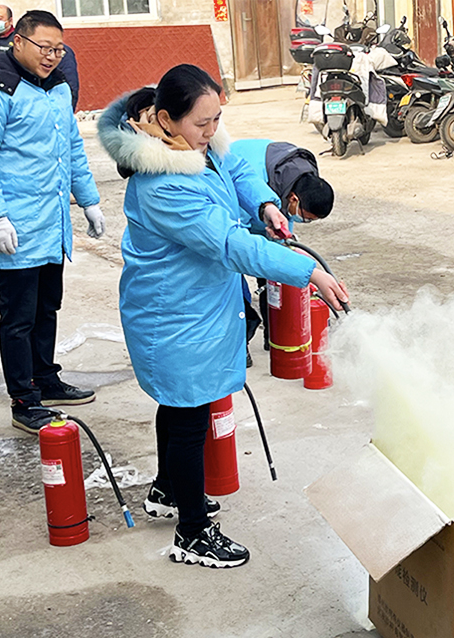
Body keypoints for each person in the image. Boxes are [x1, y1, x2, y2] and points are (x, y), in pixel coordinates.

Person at [97, 64, 348, 568]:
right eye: (202, 124)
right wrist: (307, 271)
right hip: (173, 313)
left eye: (217, 120)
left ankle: (168, 490)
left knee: (180, 406)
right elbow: (230, 245)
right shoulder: (163, 184)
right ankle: (192, 533)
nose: (212, 133)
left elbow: (234, 169)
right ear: (165, 119)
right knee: (190, 416)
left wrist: (264, 204)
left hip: (197, 304)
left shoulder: (195, 143)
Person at [0, 10, 105, 434]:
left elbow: (71, 149)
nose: (52, 56)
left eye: (58, 49)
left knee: (47, 306)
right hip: (15, 226)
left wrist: (88, 201)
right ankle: (23, 399)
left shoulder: (56, 89)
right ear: (18, 41)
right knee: (18, 317)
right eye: (44, 48)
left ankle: (45, 378)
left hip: (52, 225)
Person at [229, 138, 335, 363]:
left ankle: (274, 334)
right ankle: (239, 343)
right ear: (294, 199)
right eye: (306, 218)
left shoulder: (302, 179)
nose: (303, 221)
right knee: (233, 277)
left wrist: (291, 253)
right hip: (236, 207)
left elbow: (281, 236)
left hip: (266, 199)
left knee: (275, 274)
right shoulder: (250, 182)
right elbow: (240, 248)